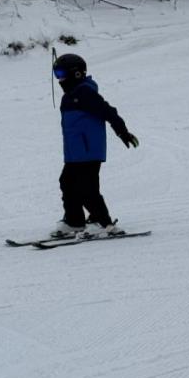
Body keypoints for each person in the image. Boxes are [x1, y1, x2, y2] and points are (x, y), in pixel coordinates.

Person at [49, 52, 139, 239]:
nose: (59, 79)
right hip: (75, 152)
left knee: (86, 188)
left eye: (61, 73)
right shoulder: (69, 96)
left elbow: (108, 111)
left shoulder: (85, 92)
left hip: (89, 151)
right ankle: (75, 221)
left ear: (77, 73)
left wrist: (122, 131)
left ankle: (102, 222)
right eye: (57, 74)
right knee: (67, 182)